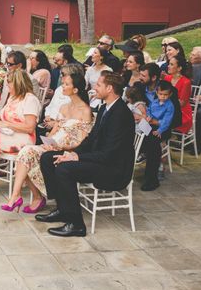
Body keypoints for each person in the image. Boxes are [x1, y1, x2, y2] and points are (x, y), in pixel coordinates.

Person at [36, 71, 135, 237]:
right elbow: (91, 139)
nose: (94, 87)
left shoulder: (120, 114)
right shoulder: (106, 108)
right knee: (48, 158)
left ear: (109, 88)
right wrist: (72, 153)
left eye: (98, 85)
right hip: (100, 160)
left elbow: (109, 154)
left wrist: (77, 157)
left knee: (64, 169)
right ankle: (62, 208)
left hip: (113, 169)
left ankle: (76, 224)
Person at [2, 71, 93, 212]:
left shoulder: (85, 111)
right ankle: (16, 195)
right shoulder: (64, 107)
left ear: (75, 90)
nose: (62, 86)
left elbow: (82, 140)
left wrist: (59, 146)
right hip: (53, 145)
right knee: (26, 152)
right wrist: (48, 142)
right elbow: (54, 131)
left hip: (69, 150)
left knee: (27, 153)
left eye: (66, 84)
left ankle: (20, 196)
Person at [141, 80, 176, 190]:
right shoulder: (155, 102)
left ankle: (151, 178)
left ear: (170, 94)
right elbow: (150, 111)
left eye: (165, 95)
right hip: (151, 125)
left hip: (162, 129)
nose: (163, 96)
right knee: (141, 136)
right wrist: (149, 117)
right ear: (157, 93)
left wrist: (160, 129)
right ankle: (142, 154)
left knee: (153, 143)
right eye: (161, 94)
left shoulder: (170, 106)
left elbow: (167, 121)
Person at [163, 53, 193, 138]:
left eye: (171, 64)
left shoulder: (186, 82)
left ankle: (163, 141)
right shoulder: (167, 78)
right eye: (169, 63)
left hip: (181, 112)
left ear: (179, 68)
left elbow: (182, 103)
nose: (168, 66)